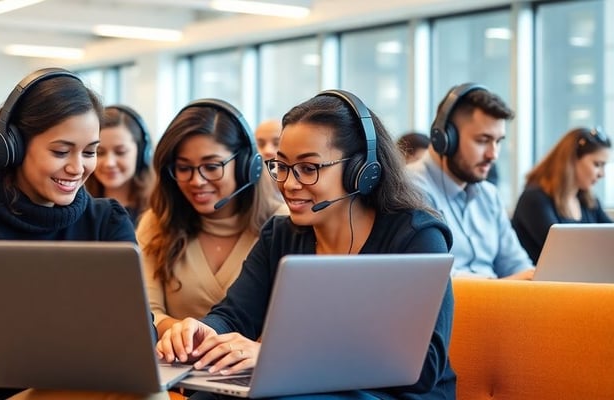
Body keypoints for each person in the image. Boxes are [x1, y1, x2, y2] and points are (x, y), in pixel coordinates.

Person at [156, 90, 456, 399]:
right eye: (282, 166)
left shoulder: (415, 235)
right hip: (304, 386)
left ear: (360, 172)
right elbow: (234, 315)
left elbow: (424, 367)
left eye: (308, 168)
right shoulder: (281, 234)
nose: (289, 183)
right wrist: (204, 330)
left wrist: (280, 359)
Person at [0, 68, 142, 400]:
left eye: (89, 151)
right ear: (12, 147)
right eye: (61, 151)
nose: (78, 167)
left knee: (139, 389)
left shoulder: (107, 221)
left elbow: (139, 338)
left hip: (88, 390)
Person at [136, 99, 285, 339]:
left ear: (247, 165)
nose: (197, 181)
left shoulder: (284, 226)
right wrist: (189, 337)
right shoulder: (158, 222)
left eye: (212, 166)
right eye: (184, 168)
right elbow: (146, 313)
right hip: (179, 365)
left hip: (257, 369)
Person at [408, 83, 534, 279]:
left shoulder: (489, 195)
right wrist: (504, 286)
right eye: (483, 140)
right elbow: (434, 279)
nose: (494, 154)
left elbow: (516, 264)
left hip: (501, 302)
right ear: (445, 138)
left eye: (498, 141)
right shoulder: (410, 190)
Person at [511, 126, 611, 264]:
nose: (602, 174)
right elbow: (566, 256)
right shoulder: (535, 199)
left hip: (580, 281)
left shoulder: (588, 201)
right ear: (572, 160)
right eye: (597, 164)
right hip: (545, 283)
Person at [84, 105, 155, 224]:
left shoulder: (158, 211)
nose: (109, 163)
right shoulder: (76, 208)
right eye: (99, 152)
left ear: (142, 152)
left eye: (120, 152)